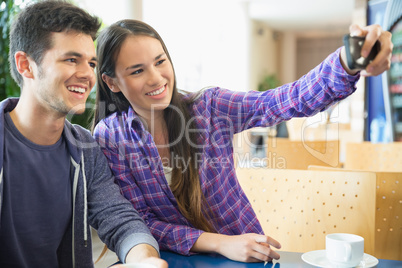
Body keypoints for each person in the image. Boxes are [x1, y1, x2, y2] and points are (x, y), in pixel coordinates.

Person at [92, 19, 392, 263]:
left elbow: (282, 101)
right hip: (169, 260)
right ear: (112, 82)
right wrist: (220, 244)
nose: (156, 78)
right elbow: (139, 222)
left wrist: (346, 63)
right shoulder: (110, 137)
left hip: (243, 259)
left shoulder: (208, 107)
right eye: (137, 71)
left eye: (160, 61)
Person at [0, 1, 168, 267]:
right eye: (71, 59)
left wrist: (143, 259)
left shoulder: (84, 146)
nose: (87, 75)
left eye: (91, 63)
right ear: (26, 65)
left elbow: (118, 217)